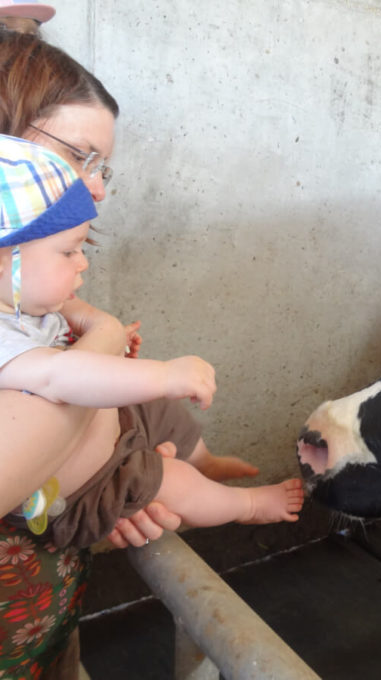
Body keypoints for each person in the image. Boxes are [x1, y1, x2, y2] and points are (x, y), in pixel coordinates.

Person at [0, 33, 258, 679]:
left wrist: (111, 488)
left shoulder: (30, 286)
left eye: (101, 166)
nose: (99, 188)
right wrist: (106, 340)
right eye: (81, 156)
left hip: (47, 611)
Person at [0, 136, 304, 546]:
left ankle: (206, 462)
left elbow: (63, 354)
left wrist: (116, 348)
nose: (83, 261)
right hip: (89, 487)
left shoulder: (24, 306)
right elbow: (58, 375)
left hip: (108, 433)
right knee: (173, 479)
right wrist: (162, 374)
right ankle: (246, 506)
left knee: (158, 406)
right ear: (5, 262)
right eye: (69, 252)